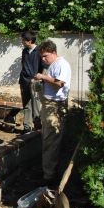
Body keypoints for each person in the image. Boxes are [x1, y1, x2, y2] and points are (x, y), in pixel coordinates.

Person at [33, 40, 71, 186]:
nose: (43, 59)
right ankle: (48, 172)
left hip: (55, 106)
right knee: (49, 139)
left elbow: (60, 83)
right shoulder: (53, 65)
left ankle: (49, 177)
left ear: (54, 53)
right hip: (49, 105)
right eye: (42, 57)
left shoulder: (61, 64)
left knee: (51, 141)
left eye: (45, 56)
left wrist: (43, 77)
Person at [19, 31, 44, 133]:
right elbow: (23, 65)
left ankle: (37, 127)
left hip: (36, 82)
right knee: (26, 105)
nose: (22, 42)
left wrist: (38, 78)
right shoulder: (24, 51)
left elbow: (43, 67)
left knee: (36, 105)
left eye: (23, 40)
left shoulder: (39, 51)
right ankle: (26, 127)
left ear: (29, 41)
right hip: (24, 81)